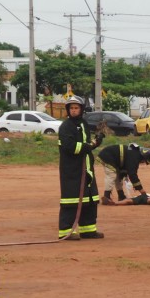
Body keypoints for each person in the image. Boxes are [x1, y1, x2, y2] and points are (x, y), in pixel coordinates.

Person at [57, 95, 105, 240]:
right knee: (71, 201)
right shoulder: (66, 126)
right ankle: (65, 231)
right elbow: (70, 146)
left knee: (90, 200)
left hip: (87, 169)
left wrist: (96, 142)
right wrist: (89, 146)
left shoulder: (83, 124)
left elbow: (86, 144)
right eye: (71, 108)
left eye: (76, 108)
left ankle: (88, 230)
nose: (73, 110)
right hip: (72, 170)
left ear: (81, 109)